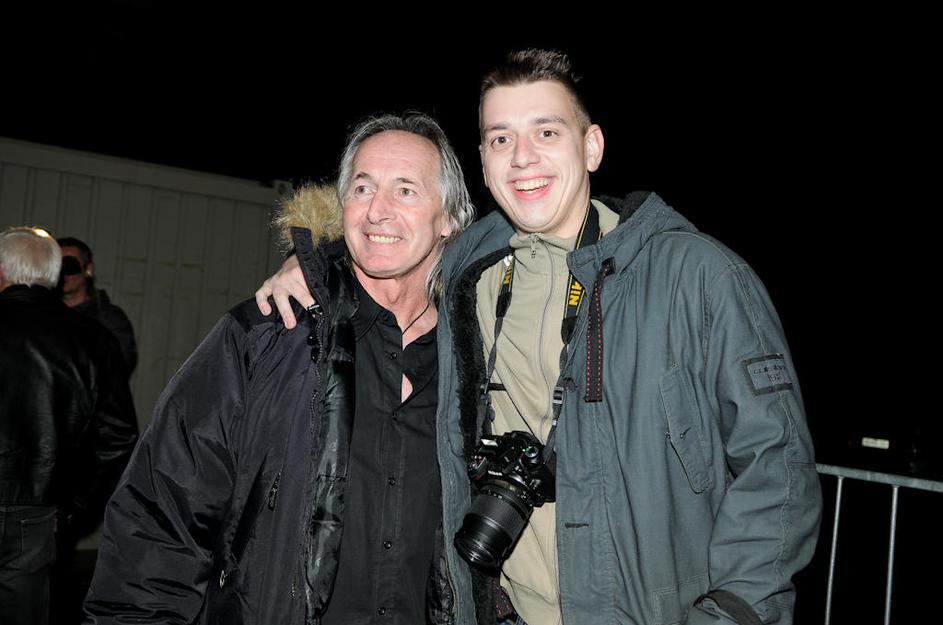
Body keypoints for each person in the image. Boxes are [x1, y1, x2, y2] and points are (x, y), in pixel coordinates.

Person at [257, 49, 822, 625]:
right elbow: (390, 239)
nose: (522, 157)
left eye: (546, 132)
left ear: (592, 146)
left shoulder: (697, 277)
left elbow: (779, 473)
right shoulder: (468, 274)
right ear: (483, 161)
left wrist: (730, 614)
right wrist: (313, 267)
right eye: (501, 138)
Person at [83, 113, 476, 624]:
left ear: (448, 218)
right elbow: (161, 515)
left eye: (405, 190)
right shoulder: (268, 334)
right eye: (362, 188)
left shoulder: (475, 358)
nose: (377, 210)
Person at [0, 227, 138, 625]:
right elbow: (118, 437)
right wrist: (74, 505)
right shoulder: (92, 339)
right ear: (54, 274)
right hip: (36, 509)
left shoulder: (99, 331)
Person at [58, 237, 138, 374]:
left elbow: (120, 363)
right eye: (58, 266)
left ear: (88, 269)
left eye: (71, 265)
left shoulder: (109, 318)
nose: (64, 273)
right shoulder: (41, 312)